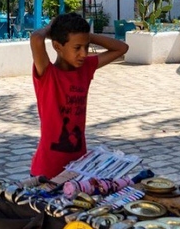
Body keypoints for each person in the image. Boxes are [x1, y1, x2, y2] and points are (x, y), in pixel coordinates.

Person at [29, 12, 129, 178]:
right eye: (77, 48)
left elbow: (122, 48)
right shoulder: (47, 74)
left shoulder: (85, 68)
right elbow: (36, 39)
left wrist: (86, 36)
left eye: (86, 47)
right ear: (57, 46)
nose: (83, 54)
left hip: (79, 166)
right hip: (47, 170)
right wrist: (51, 27)